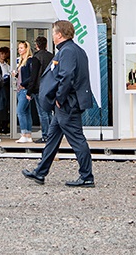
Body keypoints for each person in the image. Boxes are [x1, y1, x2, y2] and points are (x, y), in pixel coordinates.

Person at [22, 20, 95, 187]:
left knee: (77, 139)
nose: (53, 36)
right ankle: (40, 173)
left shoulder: (67, 51)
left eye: (54, 33)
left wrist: (60, 98)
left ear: (60, 34)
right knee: (53, 138)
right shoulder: (76, 50)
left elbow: (67, 76)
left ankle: (87, 176)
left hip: (67, 103)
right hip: (68, 102)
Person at [28, 35, 54, 143]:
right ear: (46, 44)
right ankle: (52, 134)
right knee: (49, 112)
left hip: (39, 88)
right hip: (50, 87)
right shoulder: (51, 56)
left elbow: (34, 75)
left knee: (42, 113)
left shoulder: (36, 57)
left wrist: (29, 90)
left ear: (37, 45)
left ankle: (45, 135)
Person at [14, 40, 35, 143]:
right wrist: (16, 75)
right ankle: (28, 134)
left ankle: (24, 134)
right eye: (19, 48)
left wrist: (23, 84)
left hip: (24, 89)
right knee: (26, 112)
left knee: (20, 111)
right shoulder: (21, 61)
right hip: (21, 89)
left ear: (26, 49)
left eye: (21, 48)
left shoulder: (29, 61)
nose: (19, 50)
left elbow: (31, 76)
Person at [0, 46, 13, 135]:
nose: (3, 56)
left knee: (6, 106)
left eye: (4, 54)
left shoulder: (7, 66)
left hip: (5, 87)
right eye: (1, 54)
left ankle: (5, 126)